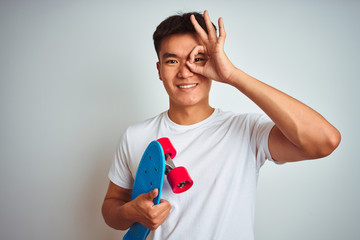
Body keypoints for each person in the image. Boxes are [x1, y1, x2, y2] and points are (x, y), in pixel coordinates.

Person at [101, 10, 341, 239]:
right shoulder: (135, 135)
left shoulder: (247, 130)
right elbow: (111, 207)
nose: (186, 72)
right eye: (172, 61)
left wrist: (232, 76)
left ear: (214, 63)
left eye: (198, 59)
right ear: (159, 70)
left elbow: (325, 141)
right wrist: (131, 212)